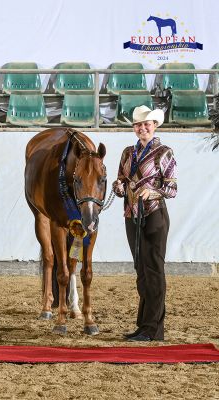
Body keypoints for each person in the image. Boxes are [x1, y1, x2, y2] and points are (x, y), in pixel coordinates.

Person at [112, 105, 177, 342]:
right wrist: (118, 187)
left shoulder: (164, 152)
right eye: (138, 124)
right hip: (132, 215)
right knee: (141, 269)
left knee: (154, 270)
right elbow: (120, 181)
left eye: (146, 123)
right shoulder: (128, 152)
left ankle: (153, 329)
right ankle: (144, 325)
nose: (142, 128)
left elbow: (172, 188)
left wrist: (153, 191)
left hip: (154, 216)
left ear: (155, 125)